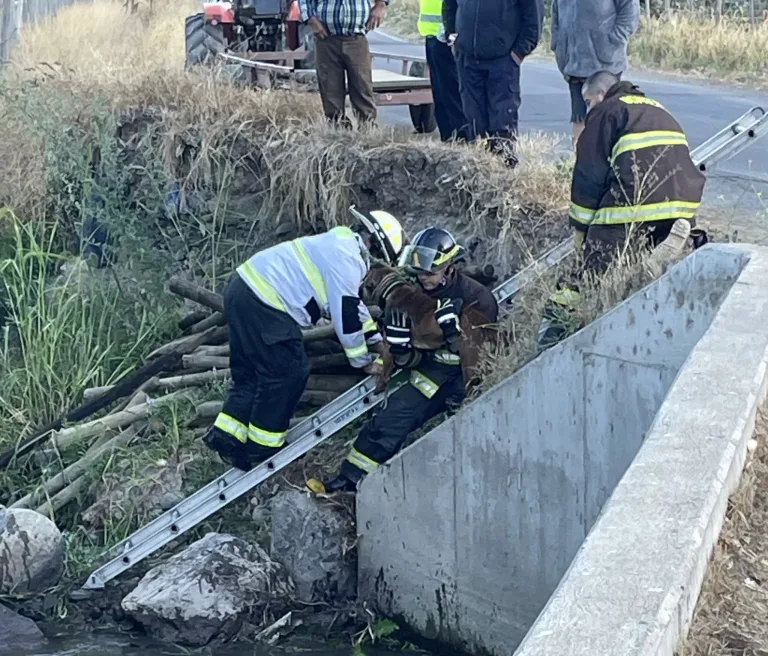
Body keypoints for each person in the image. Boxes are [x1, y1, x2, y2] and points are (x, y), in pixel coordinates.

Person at [204, 207, 406, 472]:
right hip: (265, 302)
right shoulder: (348, 259)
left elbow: (353, 307)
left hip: (242, 291)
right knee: (288, 372)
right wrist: (363, 362)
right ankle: (261, 448)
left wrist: (378, 341)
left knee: (251, 373)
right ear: (375, 246)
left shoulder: (338, 245)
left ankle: (226, 436)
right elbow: (345, 315)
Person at [320, 227, 499, 493]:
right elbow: (412, 357)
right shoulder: (415, 294)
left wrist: (452, 336)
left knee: (423, 421)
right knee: (386, 421)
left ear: (449, 267)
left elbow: (479, 357)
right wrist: (401, 350)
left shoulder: (477, 299)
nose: (423, 279)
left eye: (429, 273)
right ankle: (349, 480)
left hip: (459, 378)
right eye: (419, 273)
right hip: (426, 370)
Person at [537, 71, 705, 348]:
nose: (589, 109)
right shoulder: (656, 107)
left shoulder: (606, 112)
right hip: (682, 205)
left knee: (585, 276)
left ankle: (550, 339)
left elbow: (589, 174)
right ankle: (657, 259)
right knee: (642, 245)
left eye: (588, 102)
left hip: (634, 205)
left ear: (601, 95)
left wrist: (582, 230)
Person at [442, 0, 542, 167]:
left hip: (502, 62)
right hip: (468, 61)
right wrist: (453, 38)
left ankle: (503, 175)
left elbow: (533, 19)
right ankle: (479, 173)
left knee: (502, 124)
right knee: (474, 122)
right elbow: (449, 6)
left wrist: (518, 53)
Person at [550, 0, 639, 147]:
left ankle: (609, 160)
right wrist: (557, 43)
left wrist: (614, 40)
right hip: (573, 62)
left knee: (608, 117)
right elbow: (556, 11)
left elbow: (629, 9)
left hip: (606, 64)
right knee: (578, 117)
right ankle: (580, 161)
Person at [299, 0, 388, 127]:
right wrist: (310, 18)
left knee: (362, 85)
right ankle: (338, 130)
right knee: (330, 88)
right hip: (326, 38)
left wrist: (381, 4)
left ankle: (367, 130)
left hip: (356, 38)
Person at [417, 0, 467, 141]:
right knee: (440, 92)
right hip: (434, 35)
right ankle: (448, 137)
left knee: (452, 91)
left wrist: (453, 30)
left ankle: (461, 137)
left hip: (448, 34)